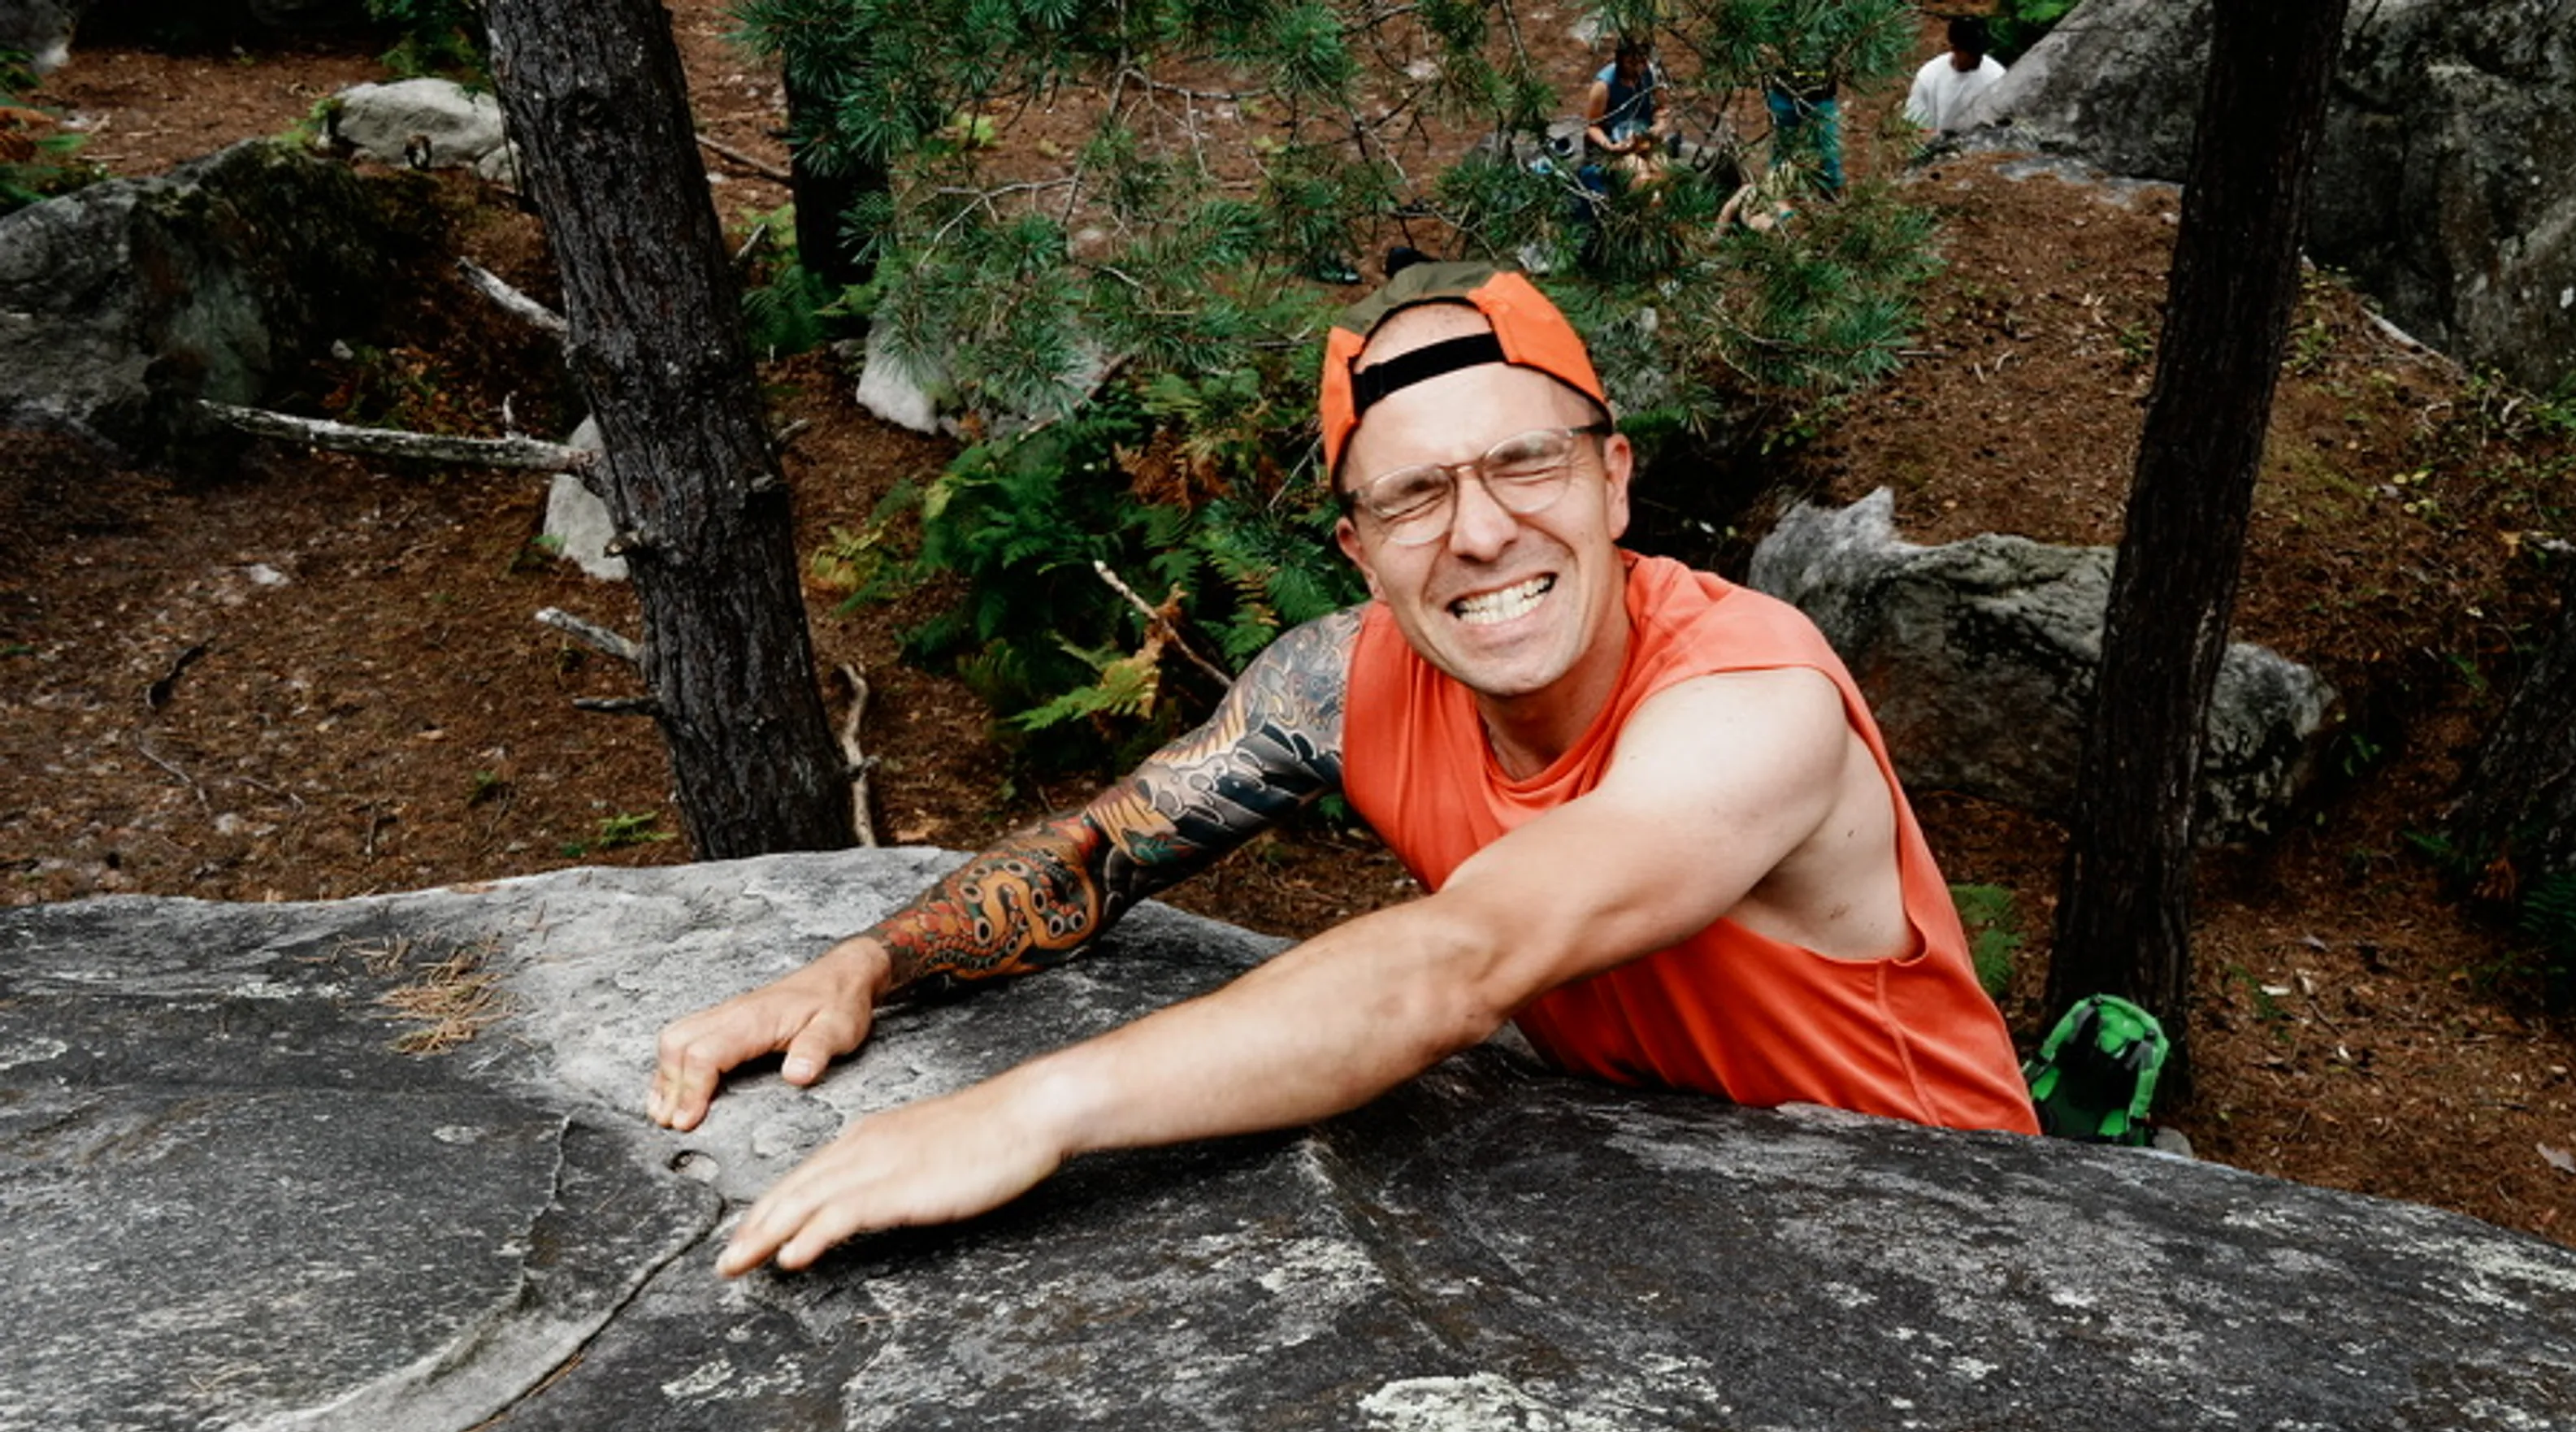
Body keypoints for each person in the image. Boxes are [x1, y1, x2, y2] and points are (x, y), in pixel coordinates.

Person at [653, 261, 2036, 1276]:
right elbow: (1102, 852)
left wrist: (1030, 1110)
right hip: (1670, 1224)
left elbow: (1461, 964)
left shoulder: (1752, 695)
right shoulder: (1347, 675)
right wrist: (867, 968)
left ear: (1616, 480)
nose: (1481, 532)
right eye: (1415, 497)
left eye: (1524, 465)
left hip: (1942, 1233)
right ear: (1359, 552)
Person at [1581, 33, 1676, 181]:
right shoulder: (1603, 86)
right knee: (1641, 175)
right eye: (1631, 63)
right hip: (1616, 144)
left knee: (1664, 171)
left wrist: (1659, 124)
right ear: (1620, 60)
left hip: (1644, 138)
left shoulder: (1650, 73)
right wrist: (1611, 147)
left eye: (1642, 62)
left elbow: (1663, 107)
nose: (1638, 68)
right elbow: (1592, 126)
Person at [1906, 14, 2007, 138]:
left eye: (1980, 52)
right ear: (1955, 49)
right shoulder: (1928, 77)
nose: (1978, 59)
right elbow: (1915, 130)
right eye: (1972, 54)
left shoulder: (1997, 76)